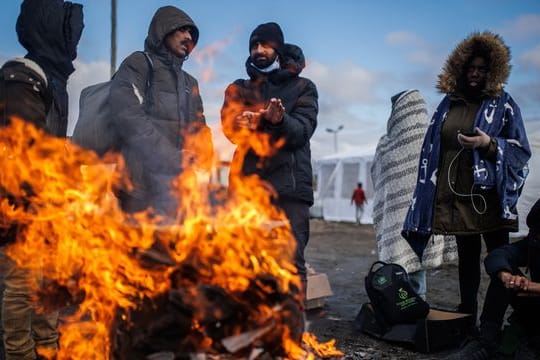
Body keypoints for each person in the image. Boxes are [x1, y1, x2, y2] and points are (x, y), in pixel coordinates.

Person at [402, 31, 531, 319]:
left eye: (482, 69)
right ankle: (467, 317)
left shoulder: (505, 104)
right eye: (470, 69)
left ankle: (500, 321)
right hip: (458, 197)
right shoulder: (449, 104)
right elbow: (432, 147)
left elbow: (521, 151)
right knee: (468, 262)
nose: (475, 74)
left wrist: (489, 144)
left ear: (492, 71)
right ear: (460, 69)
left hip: (490, 198)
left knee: (499, 260)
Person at [0, 0, 84, 358]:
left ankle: (48, 350)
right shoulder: (23, 76)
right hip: (22, 208)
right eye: (67, 31)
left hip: (47, 208)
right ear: (50, 29)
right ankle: (19, 353)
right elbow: (21, 149)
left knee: (49, 285)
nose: (73, 42)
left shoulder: (51, 79)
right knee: (21, 286)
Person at [220, 22, 318, 298]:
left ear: (278, 48)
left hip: (289, 189)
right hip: (247, 190)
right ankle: (250, 330)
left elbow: (302, 130)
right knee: (245, 261)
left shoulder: (303, 87)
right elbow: (230, 129)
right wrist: (241, 123)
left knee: (290, 263)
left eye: (265, 45)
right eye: (254, 45)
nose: (259, 50)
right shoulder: (238, 88)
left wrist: (279, 120)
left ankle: (290, 333)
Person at [109, 5, 213, 216]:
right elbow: (128, 118)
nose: (188, 37)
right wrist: (173, 157)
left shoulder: (189, 82)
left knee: (178, 247)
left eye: (191, 33)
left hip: (177, 192)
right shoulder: (138, 63)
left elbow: (199, 128)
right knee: (140, 248)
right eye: (182, 30)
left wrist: (204, 150)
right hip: (138, 188)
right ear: (163, 30)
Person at [371, 89, 457, 300]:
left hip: (403, 218)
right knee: (415, 267)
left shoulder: (386, 144)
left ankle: (406, 309)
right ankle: (415, 307)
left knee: (403, 268)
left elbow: (377, 176)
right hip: (419, 218)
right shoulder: (433, 141)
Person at [445, 198, 540, 360]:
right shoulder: (535, 241)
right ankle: (487, 341)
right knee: (503, 273)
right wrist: (506, 275)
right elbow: (499, 255)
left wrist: (533, 287)